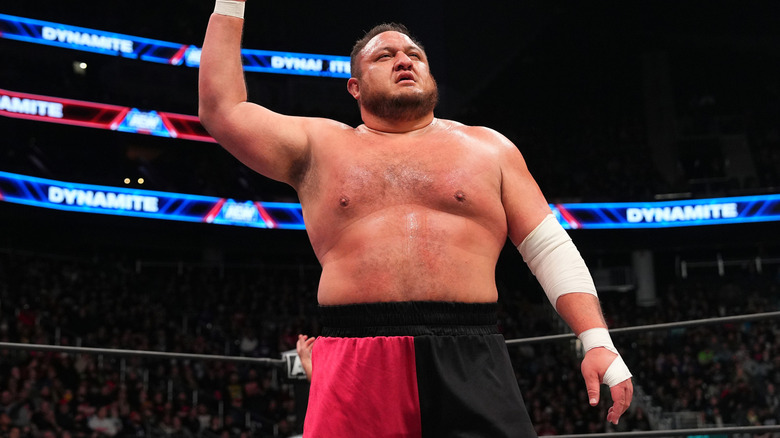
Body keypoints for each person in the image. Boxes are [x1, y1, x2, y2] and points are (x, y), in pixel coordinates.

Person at [199, 2, 633, 436]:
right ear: (354, 86)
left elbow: (547, 247)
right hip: (356, 353)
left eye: (415, 55)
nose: (404, 60)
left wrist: (596, 339)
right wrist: (231, 3)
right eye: (383, 56)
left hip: (471, 348)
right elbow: (223, 111)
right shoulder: (318, 147)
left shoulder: (489, 149)